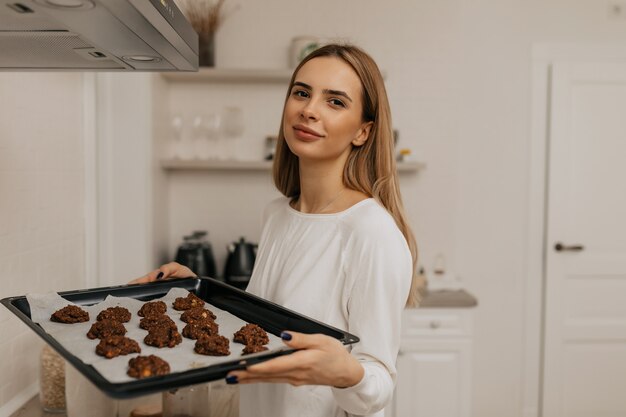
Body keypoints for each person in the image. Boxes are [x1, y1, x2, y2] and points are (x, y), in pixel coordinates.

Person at [133, 43, 419, 417]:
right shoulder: (278, 215)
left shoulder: (371, 232)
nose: (309, 110)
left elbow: (379, 387)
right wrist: (196, 295)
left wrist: (348, 373)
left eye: (335, 102)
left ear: (363, 132)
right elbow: (261, 327)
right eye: (301, 92)